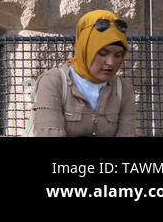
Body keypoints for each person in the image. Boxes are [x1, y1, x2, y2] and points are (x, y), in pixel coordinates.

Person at [31, 8, 135, 137]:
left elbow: (127, 132)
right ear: (85, 49)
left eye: (118, 55)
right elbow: (48, 132)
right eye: (103, 53)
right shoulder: (53, 81)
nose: (110, 62)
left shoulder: (123, 88)